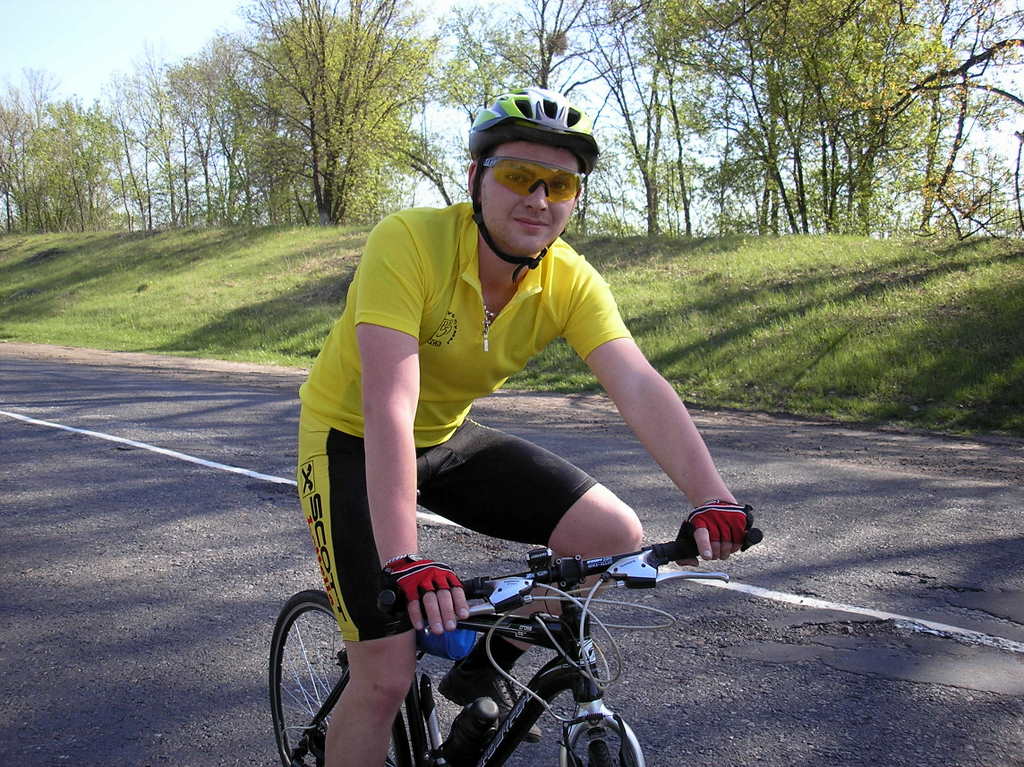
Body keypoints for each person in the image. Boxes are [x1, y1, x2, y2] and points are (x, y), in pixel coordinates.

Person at [296, 86, 755, 767]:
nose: (538, 199)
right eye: (518, 176)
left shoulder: (570, 279)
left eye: (559, 185)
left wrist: (712, 497)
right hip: (349, 440)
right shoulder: (409, 241)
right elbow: (390, 402)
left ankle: (485, 663)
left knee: (612, 534)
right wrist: (406, 558)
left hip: (445, 436)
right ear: (475, 179)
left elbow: (637, 383)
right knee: (384, 677)